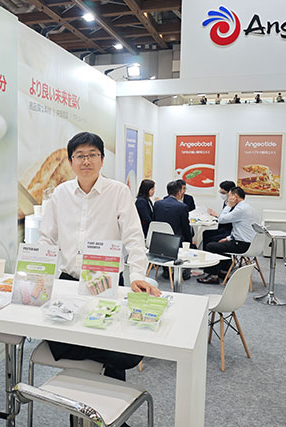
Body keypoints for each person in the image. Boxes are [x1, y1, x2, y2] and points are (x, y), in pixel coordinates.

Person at [39, 132, 160, 395]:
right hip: (69, 283)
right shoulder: (60, 193)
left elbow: (134, 238)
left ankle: (112, 405)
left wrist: (138, 276)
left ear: (102, 159)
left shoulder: (118, 192)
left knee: (108, 340)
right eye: (80, 155)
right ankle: (83, 395)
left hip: (106, 282)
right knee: (77, 341)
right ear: (70, 161)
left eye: (92, 155)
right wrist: (40, 275)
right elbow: (46, 238)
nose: (86, 161)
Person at [198, 187, 259, 284]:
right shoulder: (248, 207)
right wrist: (228, 238)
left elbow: (221, 219)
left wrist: (229, 206)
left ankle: (213, 276)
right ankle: (223, 271)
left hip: (242, 245)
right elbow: (240, 230)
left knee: (210, 246)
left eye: (229, 196)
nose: (227, 198)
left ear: (235, 197)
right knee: (220, 243)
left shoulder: (240, 209)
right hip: (249, 244)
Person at [153, 181, 194, 280]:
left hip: (158, 240)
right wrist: (190, 241)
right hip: (175, 241)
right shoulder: (182, 207)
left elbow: (154, 221)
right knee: (190, 239)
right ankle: (184, 271)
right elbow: (185, 228)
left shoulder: (157, 204)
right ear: (179, 192)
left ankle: (166, 270)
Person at [204, 180, 236, 247]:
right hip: (223, 228)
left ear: (230, 193)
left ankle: (210, 250)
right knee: (205, 233)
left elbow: (229, 219)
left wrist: (217, 216)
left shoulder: (235, 205)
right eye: (220, 192)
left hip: (230, 231)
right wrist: (216, 216)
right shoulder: (226, 202)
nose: (222, 195)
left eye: (223, 193)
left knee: (210, 239)